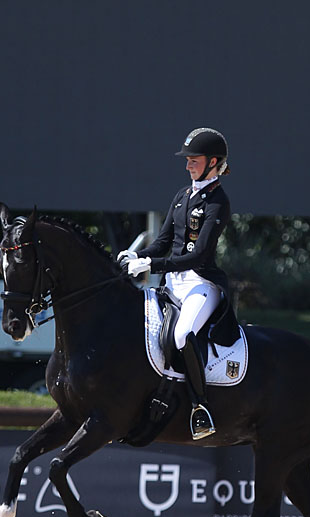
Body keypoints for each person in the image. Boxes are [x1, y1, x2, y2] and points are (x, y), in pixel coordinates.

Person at [117, 127, 232, 440]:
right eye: (188, 160)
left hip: (201, 284)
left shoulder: (218, 203)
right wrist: (137, 255)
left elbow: (197, 258)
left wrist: (152, 264)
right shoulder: (182, 196)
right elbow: (164, 241)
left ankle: (200, 407)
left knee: (182, 334)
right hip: (173, 282)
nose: (188, 165)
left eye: (194, 160)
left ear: (213, 162)